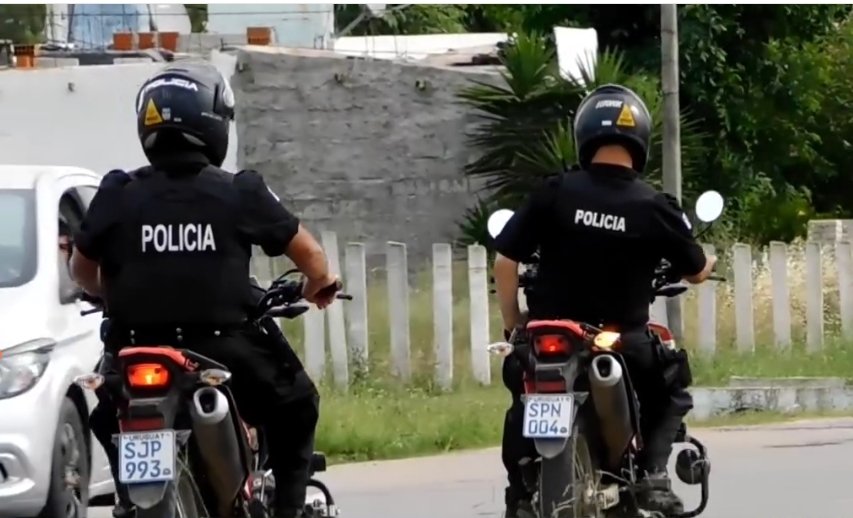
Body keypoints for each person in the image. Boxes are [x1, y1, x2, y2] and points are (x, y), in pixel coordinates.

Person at [69, 62, 339, 518]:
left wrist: (108, 294)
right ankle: (290, 509)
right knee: (297, 406)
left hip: (135, 351)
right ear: (214, 123)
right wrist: (318, 286)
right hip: (227, 352)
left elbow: (81, 271)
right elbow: (312, 258)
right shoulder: (239, 190)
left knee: (104, 415)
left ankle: (128, 501)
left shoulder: (117, 190)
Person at [492, 84, 717, 517]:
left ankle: (520, 489)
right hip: (622, 341)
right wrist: (706, 262)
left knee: (521, 390)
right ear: (641, 140)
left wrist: (514, 323)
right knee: (670, 388)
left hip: (549, 336)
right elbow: (694, 270)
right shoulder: (654, 205)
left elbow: (506, 261)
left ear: (585, 136)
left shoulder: (555, 191)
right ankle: (652, 473)